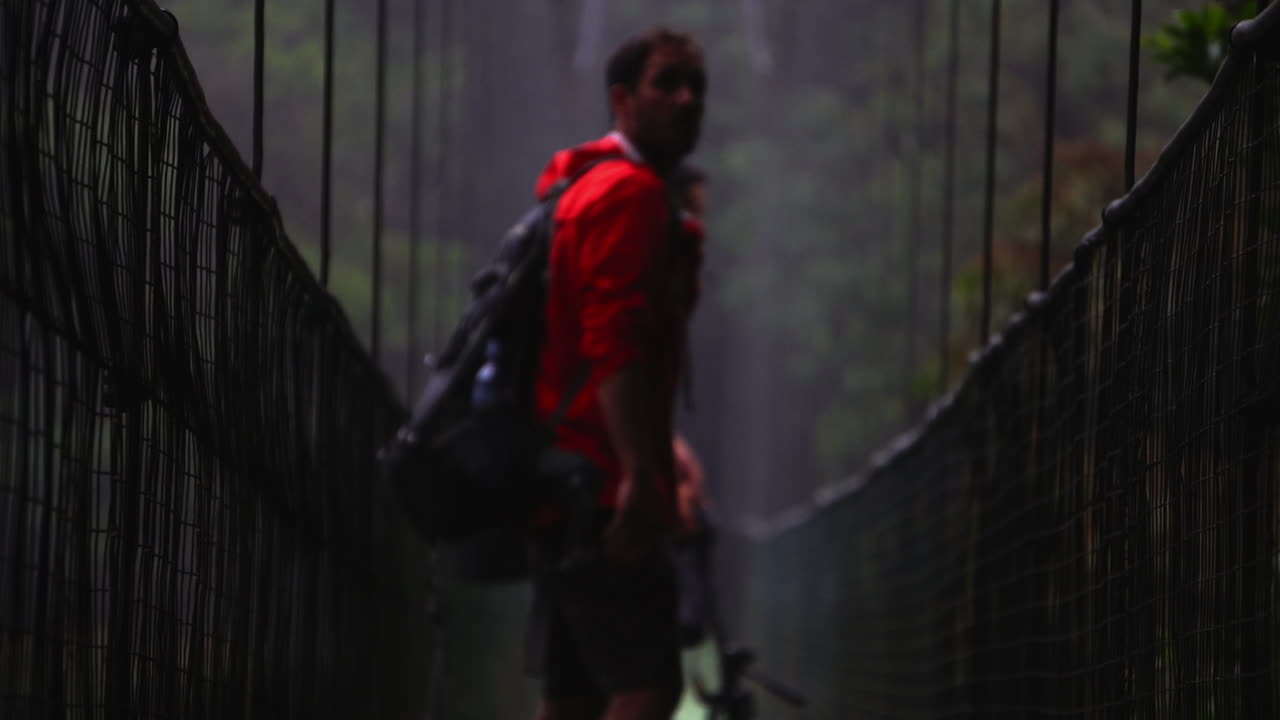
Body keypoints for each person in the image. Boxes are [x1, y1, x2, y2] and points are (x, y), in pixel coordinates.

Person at [525, 26, 708, 720]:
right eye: (668, 83)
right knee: (646, 689)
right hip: (602, 488)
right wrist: (638, 473)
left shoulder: (579, 186)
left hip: (562, 480)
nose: (687, 100)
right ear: (622, 99)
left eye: (697, 87)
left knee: (571, 696)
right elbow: (614, 343)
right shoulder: (628, 195)